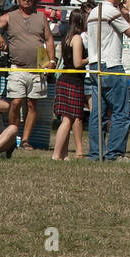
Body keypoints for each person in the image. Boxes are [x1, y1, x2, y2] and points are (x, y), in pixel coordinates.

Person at [0, 0, 56, 147]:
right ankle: (13, 136)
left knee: (32, 104)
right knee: (15, 102)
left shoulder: (41, 17)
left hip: (37, 68)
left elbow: (49, 39)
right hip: (17, 67)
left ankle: (26, 140)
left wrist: (52, 61)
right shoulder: (10, 16)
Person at [84, 0, 130, 162]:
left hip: (94, 66)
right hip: (112, 65)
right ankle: (114, 154)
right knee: (121, 111)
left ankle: (95, 153)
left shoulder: (94, 12)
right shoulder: (111, 12)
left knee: (98, 113)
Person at [52, 8, 88, 160]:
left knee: (68, 118)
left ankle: (64, 154)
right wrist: (92, 58)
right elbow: (77, 63)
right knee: (68, 119)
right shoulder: (78, 38)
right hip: (72, 81)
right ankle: (56, 155)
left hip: (66, 80)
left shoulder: (67, 37)